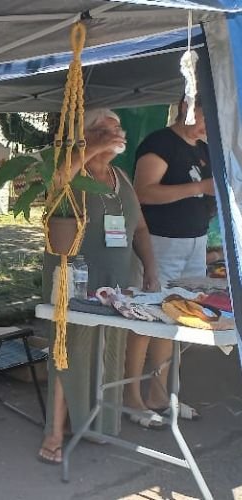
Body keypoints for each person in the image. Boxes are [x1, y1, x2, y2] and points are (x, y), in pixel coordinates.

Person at [38, 108, 160, 465]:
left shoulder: (121, 177)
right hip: (74, 279)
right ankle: (54, 433)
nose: (117, 133)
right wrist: (91, 149)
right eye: (106, 129)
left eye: (118, 128)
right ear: (86, 135)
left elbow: (140, 228)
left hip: (115, 282)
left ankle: (98, 422)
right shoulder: (72, 171)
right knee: (68, 350)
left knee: (108, 349)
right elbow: (56, 183)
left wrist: (150, 269)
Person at [126, 96, 214, 425]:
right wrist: (198, 187)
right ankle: (131, 397)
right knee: (146, 318)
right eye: (205, 117)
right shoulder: (161, 143)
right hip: (161, 243)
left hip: (195, 242)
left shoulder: (203, 149)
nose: (208, 126)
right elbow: (143, 192)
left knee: (177, 316)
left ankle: (160, 395)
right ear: (187, 107)